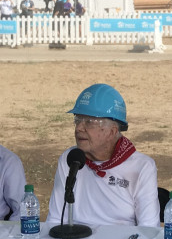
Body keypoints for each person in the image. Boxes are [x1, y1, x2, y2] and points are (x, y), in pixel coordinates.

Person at [47, 84, 160, 227]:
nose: (79, 128)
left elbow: (148, 229)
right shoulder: (70, 159)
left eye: (89, 122)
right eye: (77, 120)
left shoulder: (142, 167)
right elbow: (56, 220)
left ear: (112, 131)